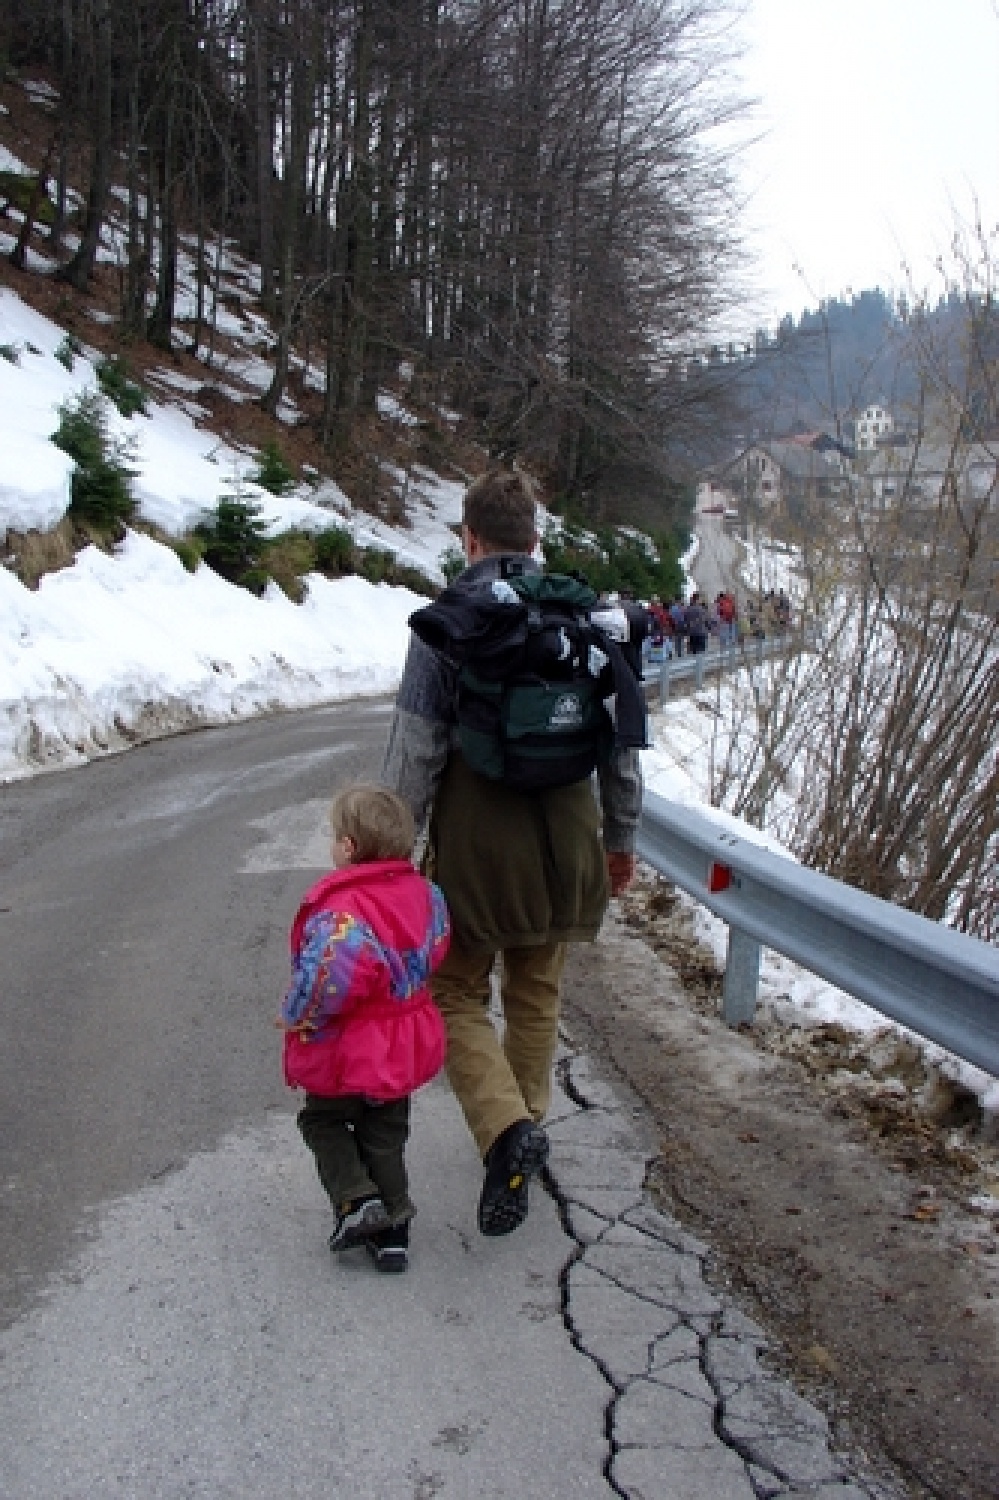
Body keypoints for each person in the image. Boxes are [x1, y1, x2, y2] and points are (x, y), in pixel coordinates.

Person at [381, 468, 642, 1237]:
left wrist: (391, 858)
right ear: (535, 540)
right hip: (565, 837)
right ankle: (525, 1128)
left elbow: (415, 749)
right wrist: (619, 839)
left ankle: (504, 1133)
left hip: (474, 843)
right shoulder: (588, 617)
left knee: (453, 991)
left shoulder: (450, 622)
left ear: (468, 539)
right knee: (535, 990)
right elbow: (621, 747)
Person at [279, 784, 450, 1273]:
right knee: (386, 1132)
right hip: (403, 1040)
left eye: (335, 836)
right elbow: (437, 944)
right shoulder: (426, 895)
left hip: (352, 1046)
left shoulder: (344, 913)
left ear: (349, 847)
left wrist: (297, 1012)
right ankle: (394, 1229)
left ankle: (355, 1199)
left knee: (324, 1119)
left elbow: (327, 979)